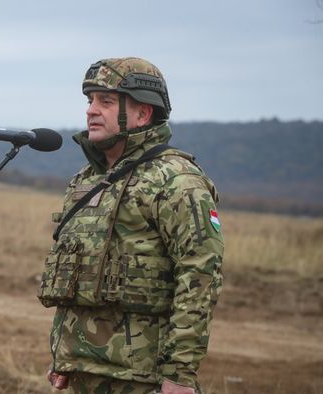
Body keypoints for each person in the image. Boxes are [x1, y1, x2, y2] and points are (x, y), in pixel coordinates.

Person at [38, 57, 223, 394]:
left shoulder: (176, 181)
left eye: (105, 101)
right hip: (82, 369)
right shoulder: (86, 180)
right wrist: (63, 355)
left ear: (143, 113)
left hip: (142, 377)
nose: (91, 110)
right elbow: (74, 277)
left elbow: (200, 278)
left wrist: (179, 375)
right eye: (90, 100)